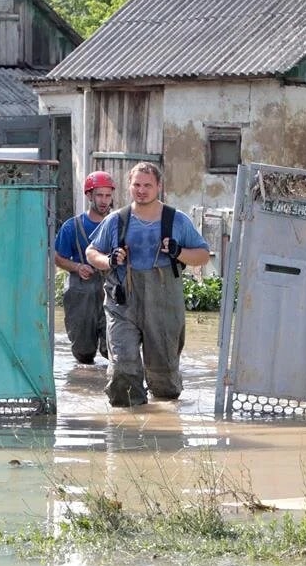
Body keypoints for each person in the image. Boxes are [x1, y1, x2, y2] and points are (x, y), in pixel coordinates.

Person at [86, 162, 210, 407]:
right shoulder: (116, 220)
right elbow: (91, 252)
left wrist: (178, 251)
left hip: (163, 306)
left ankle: (162, 432)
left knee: (164, 379)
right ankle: (127, 430)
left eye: (147, 185)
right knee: (122, 368)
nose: (141, 190)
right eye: (136, 185)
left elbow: (203, 255)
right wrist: (109, 260)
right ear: (129, 186)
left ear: (159, 187)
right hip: (123, 306)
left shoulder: (177, 220)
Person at [54, 171, 115, 364]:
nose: (104, 201)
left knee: (114, 349)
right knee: (84, 354)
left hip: (110, 291)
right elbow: (57, 257)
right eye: (99, 195)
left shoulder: (118, 224)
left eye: (108, 195)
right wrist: (77, 266)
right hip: (81, 293)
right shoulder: (71, 226)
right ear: (89, 196)